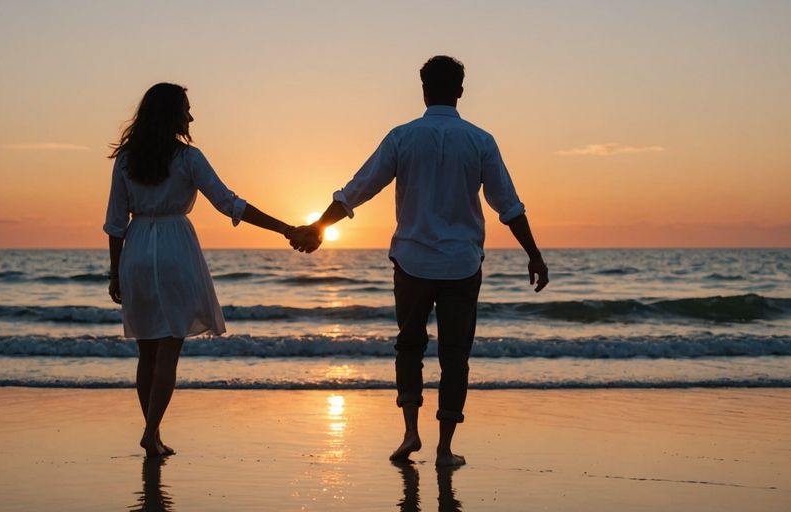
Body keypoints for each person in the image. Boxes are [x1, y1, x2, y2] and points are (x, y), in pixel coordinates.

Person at [289, 56, 550, 466]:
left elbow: (359, 188)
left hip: (411, 261)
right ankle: (445, 449)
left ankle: (410, 433)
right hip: (462, 264)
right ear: (461, 91)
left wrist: (320, 226)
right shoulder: (481, 141)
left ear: (423, 89)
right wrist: (534, 255)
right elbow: (509, 206)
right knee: (455, 356)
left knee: (409, 347)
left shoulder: (402, 137)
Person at [105, 82, 295, 457]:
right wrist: (286, 228)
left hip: (137, 248)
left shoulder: (127, 160)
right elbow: (229, 203)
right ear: (171, 114)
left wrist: (115, 273)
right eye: (186, 109)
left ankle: (153, 435)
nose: (191, 117)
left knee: (147, 350)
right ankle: (151, 431)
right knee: (170, 346)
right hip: (176, 247)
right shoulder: (188, 158)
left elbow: (114, 222)